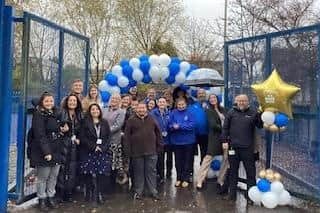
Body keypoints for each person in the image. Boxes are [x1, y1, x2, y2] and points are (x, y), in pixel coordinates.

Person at [29, 92, 68, 211]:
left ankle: (51, 196)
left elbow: (57, 129)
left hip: (56, 148)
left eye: (51, 101)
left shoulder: (56, 113)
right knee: (43, 177)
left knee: (53, 176)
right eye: (46, 101)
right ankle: (42, 199)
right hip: (43, 150)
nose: (49, 103)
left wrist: (63, 130)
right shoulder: (39, 114)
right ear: (42, 102)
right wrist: (47, 152)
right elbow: (40, 135)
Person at [220, 94, 263, 201]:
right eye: (239, 101)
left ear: (248, 102)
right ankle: (232, 195)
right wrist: (224, 140)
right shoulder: (231, 113)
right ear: (236, 101)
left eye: (244, 101)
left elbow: (260, 125)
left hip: (248, 148)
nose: (241, 102)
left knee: (251, 173)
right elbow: (225, 128)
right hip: (233, 148)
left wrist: (260, 115)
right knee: (233, 172)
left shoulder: (253, 112)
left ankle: (250, 197)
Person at [123, 101, 163, 200]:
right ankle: (139, 192)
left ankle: (153, 191)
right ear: (136, 109)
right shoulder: (131, 120)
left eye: (143, 108)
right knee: (138, 172)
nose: (141, 110)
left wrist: (159, 147)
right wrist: (128, 151)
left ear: (146, 109)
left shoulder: (152, 118)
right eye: (139, 108)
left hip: (151, 151)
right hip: (136, 152)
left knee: (151, 172)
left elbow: (158, 133)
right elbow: (126, 137)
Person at [79, 103, 111, 205]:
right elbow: (83, 137)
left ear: (100, 111)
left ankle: (99, 194)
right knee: (88, 173)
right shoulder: (85, 122)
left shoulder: (104, 122)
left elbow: (108, 137)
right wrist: (94, 147)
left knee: (101, 174)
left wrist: (102, 148)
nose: (95, 111)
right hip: (89, 151)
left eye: (97, 109)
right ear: (90, 111)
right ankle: (89, 193)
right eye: (93, 110)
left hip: (102, 152)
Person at [196, 93, 226, 189]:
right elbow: (213, 125)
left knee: (226, 159)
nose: (213, 99)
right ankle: (200, 180)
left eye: (214, 97)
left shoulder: (223, 109)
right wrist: (225, 128)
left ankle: (220, 180)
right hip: (215, 138)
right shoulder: (209, 110)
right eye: (211, 98)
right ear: (209, 100)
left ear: (217, 98)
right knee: (208, 158)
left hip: (225, 138)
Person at [56, 94, 83, 202]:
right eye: (70, 100)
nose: (72, 102)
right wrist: (61, 131)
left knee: (72, 169)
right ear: (67, 102)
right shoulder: (61, 113)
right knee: (62, 169)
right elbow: (54, 127)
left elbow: (82, 130)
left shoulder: (80, 114)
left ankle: (69, 191)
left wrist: (79, 139)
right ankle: (59, 193)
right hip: (63, 145)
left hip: (75, 146)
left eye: (74, 101)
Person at [169, 98, 196, 188]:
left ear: (186, 104)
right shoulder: (173, 113)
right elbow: (169, 125)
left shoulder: (190, 113)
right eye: (179, 105)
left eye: (182, 104)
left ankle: (186, 179)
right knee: (178, 161)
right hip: (176, 142)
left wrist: (179, 126)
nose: (181, 106)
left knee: (187, 160)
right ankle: (179, 178)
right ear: (176, 105)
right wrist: (173, 127)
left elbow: (192, 125)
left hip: (188, 141)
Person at [103, 93, 127, 185]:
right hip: (104, 141)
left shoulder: (121, 112)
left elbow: (117, 125)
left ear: (119, 101)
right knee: (105, 162)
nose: (114, 100)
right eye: (113, 99)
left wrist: (104, 131)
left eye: (116, 99)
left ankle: (112, 184)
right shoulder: (104, 110)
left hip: (114, 141)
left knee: (113, 164)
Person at [150, 97, 172, 183]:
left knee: (169, 158)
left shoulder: (169, 113)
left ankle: (169, 173)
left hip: (169, 139)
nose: (162, 103)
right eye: (160, 102)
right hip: (158, 140)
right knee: (160, 158)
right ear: (157, 104)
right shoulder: (153, 113)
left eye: (164, 102)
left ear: (166, 103)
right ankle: (161, 175)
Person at [191, 88, 209, 163]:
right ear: (197, 95)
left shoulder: (210, 105)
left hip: (206, 134)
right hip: (194, 134)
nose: (201, 95)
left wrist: (206, 109)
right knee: (191, 154)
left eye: (203, 93)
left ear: (205, 95)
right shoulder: (192, 106)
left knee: (204, 154)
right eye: (199, 93)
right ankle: (190, 172)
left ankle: (203, 172)